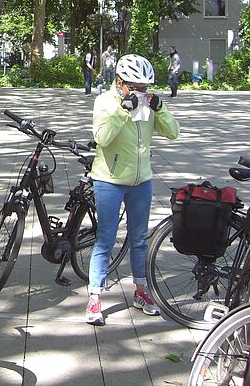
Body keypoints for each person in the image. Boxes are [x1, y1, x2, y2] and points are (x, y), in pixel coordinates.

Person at [85, 53, 180, 326]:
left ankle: (141, 291)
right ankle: (94, 296)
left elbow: (173, 133)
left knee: (139, 239)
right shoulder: (105, 102)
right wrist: (122, 110)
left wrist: (159, 108)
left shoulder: (148, 105)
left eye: (145, 88)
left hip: (141, 181)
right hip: (109, 180)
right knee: (106, 239)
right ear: (120, 83)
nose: (140, 92)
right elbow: (101, 138)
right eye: (135, 87)